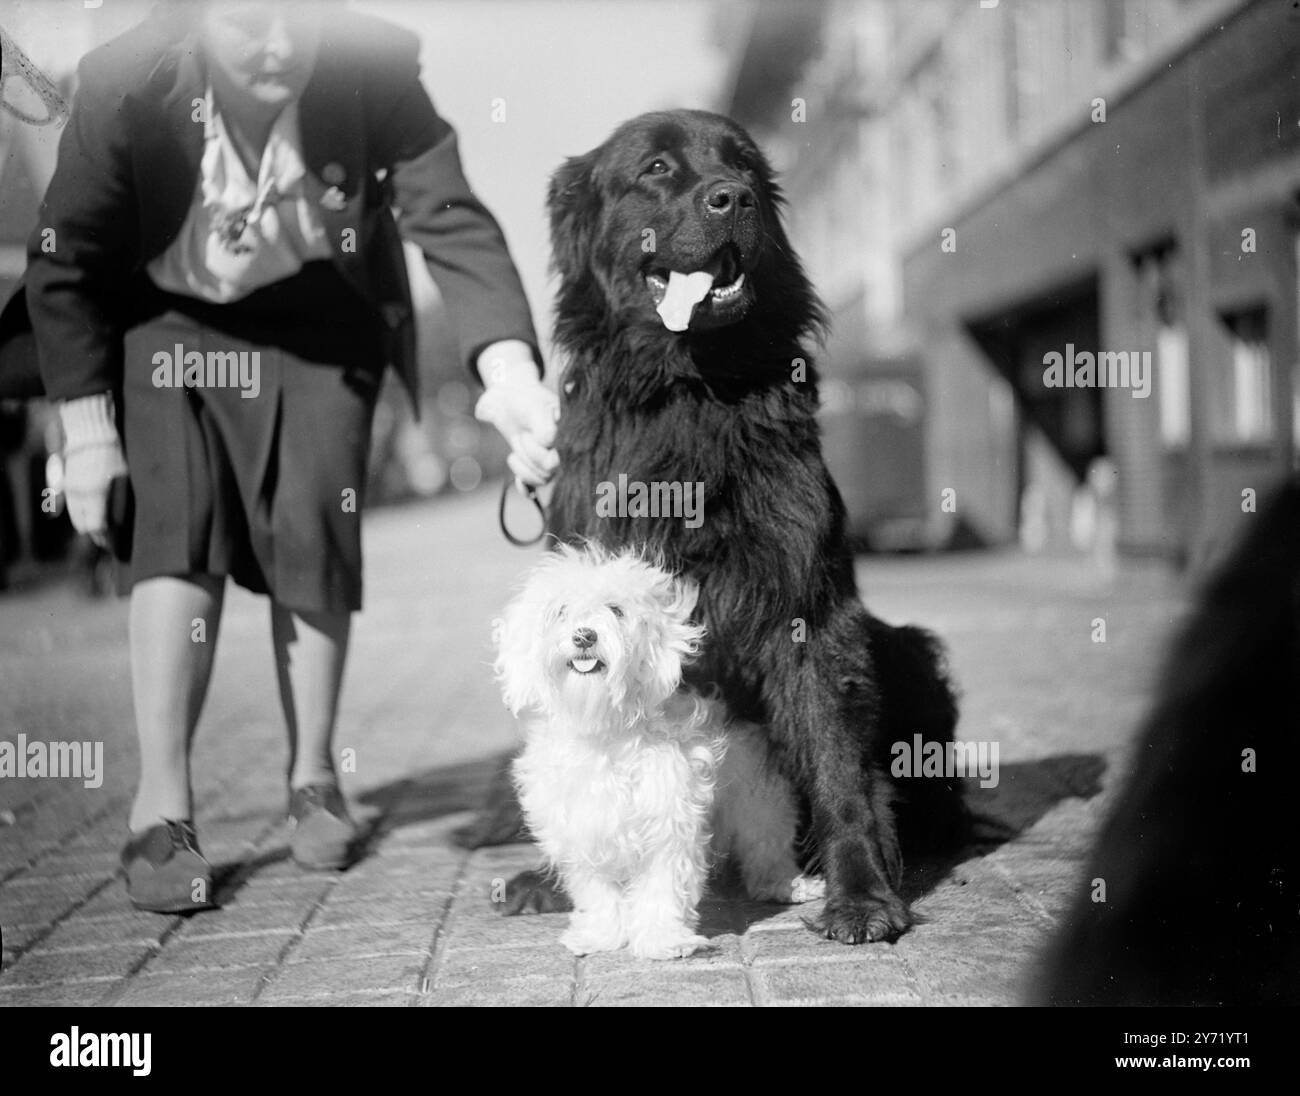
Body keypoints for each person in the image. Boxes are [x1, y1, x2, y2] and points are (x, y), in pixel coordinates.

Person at [10, 0, 558, 912]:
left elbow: (451, 217)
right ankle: (163, 812)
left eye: (295, 19)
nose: (278, 46)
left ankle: (314, 778)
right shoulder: (126, 82)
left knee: (314, 519)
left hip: (317, 318)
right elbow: (65, 257)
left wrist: (510, 376)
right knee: (177, 520)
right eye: (248, 25)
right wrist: (89, 428)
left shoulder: (369, 67)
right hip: (170, 318)